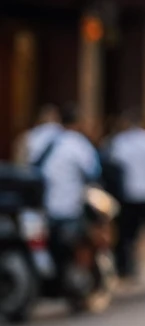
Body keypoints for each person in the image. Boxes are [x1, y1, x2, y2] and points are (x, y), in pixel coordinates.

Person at [38, 103, 102, 271]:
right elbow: (94, 172)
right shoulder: (78, 144)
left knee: (54, 251)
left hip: (44, 208)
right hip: (70, 207)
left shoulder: (45, 140)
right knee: (76, 249)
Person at [106, 109, 145, 280]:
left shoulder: (120, 142)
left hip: (130, 194)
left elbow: (113, 165)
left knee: (128, 235)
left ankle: (128, 269)